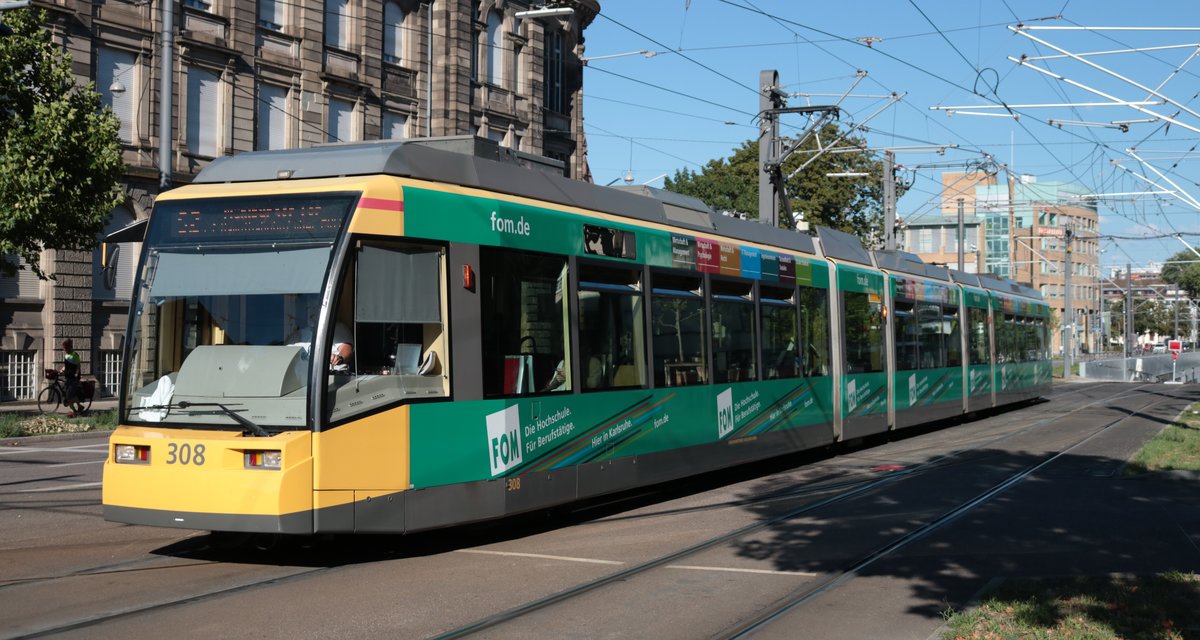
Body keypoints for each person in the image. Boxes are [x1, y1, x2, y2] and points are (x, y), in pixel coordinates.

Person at [59, 339, 84, 417]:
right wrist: (62, 370)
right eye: (64, 348)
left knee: (69, 397)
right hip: (68, 377)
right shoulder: (66, 355)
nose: (64, 350)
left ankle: (74, 411)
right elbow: (66, 366)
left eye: (65, 348)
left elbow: (78, 366)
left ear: (69, 347)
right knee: (68, 396)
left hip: (73, 379)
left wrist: (77, 374)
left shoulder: (74, 355)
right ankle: (79, 407)